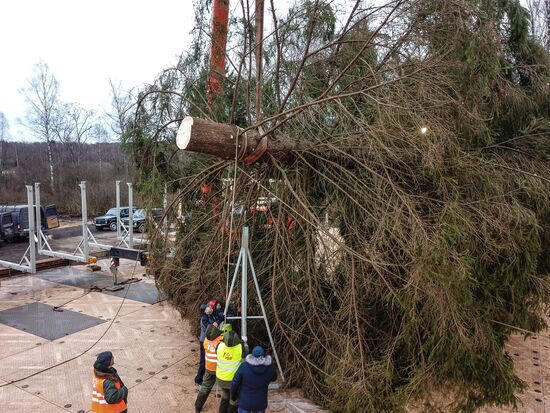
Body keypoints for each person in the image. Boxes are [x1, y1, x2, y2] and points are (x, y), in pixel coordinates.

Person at [230, 346, 277, 413]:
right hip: (260, 403)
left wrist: (233, 396)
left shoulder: (244, 367)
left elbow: (234, 383)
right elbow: (274, 378)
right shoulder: (269, 368)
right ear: (263, 355)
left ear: (252, 354)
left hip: (244, 403)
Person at [195, 324, 224, 412]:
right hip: (219, 368)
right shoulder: (221, 340)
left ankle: (198, 406)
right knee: (227, 388)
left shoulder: (206, 341)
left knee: (205, 386)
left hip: (209, 368)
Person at [216, 330, 247, 413]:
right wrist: (244, 342)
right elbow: (246, 352)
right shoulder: (240, 347)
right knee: (234, 398)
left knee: (225, 394)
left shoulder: (219, 345)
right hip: (233, 380)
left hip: (221, 378)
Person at [195, 305, 218, 385]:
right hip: (204, 341)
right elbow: (209, 327)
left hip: (207, 341)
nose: (209, 308)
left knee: (206, 360)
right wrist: (214, 324)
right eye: (207, 308)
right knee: (203, 361)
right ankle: (198, 379)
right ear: (204, 311)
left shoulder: (209, 315)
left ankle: (203, 377)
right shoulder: (204, 318)